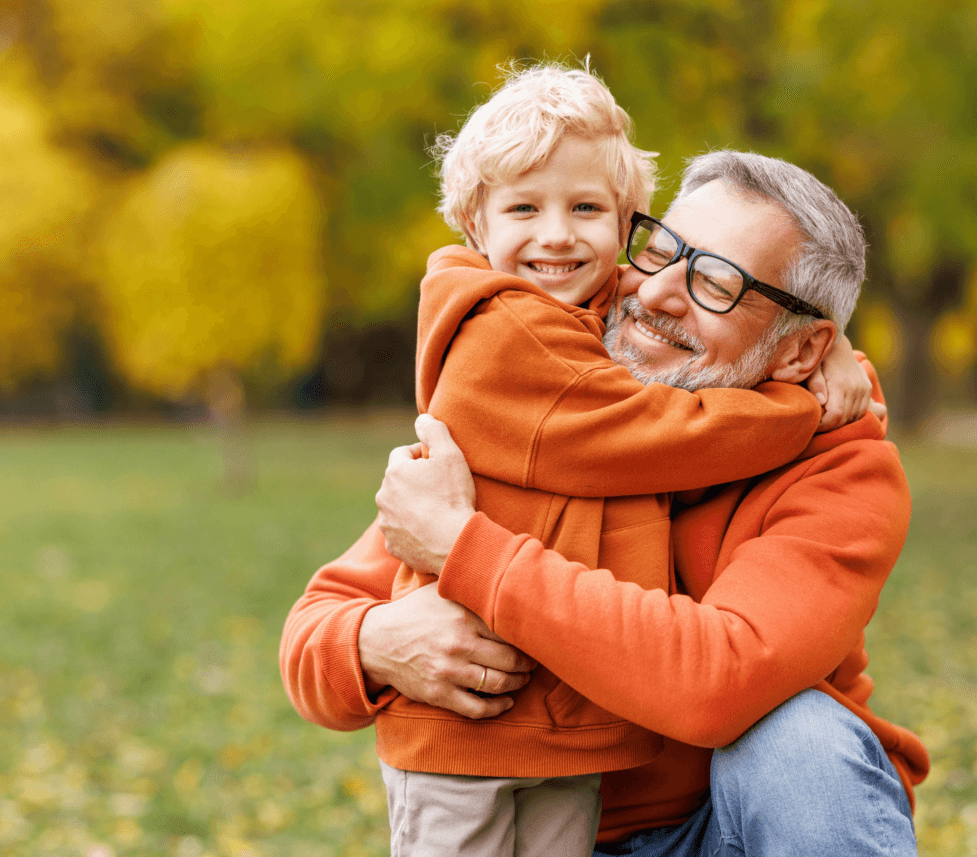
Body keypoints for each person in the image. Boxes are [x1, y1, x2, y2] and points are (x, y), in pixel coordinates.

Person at [282, 151, 929, 856]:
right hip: (551, 833)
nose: (656, 295)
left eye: (715, 282)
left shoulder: (841, 468)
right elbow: (312, 632)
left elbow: (717, 679)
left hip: (720, 828)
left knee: (800, 740)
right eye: (660, 251)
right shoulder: (559, 395)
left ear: (804, 350)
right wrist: (375, 642)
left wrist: (466, 550)